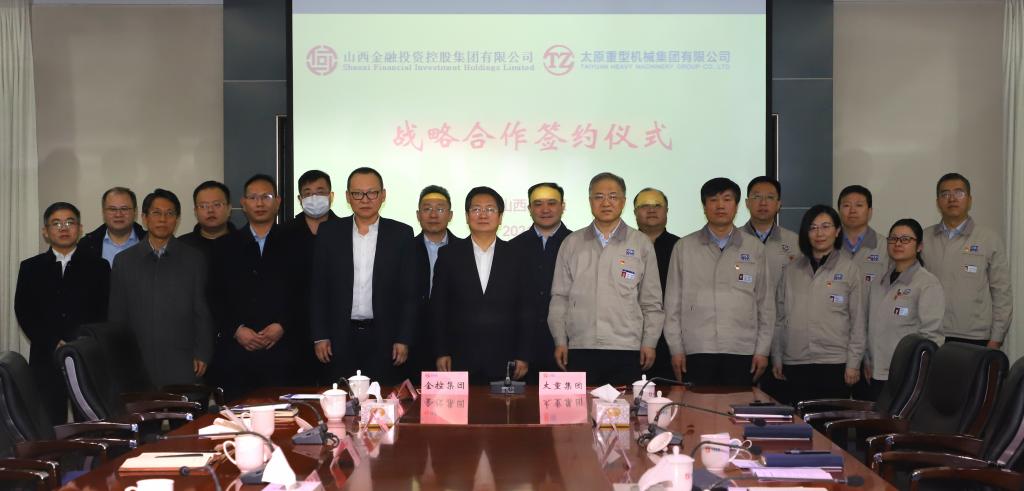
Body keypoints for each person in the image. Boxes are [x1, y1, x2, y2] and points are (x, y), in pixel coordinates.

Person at [548, 172, 664, 386]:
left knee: (625, 407)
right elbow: (560, 298)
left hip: (627, 348)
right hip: (580, 346)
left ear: (624, 202)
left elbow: (651, 301)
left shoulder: (641, 243)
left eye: (613, 196)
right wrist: (560, 340)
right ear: (590, 201)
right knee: (582, 406)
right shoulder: (572, 243)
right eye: (599, 197)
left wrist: (649, 342)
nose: (606, 203)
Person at [309, 167, 416, 384]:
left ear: (383, 195)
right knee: (341, 397)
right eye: (357, 193)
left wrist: (403, 338)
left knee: (382, 398)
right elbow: (318, 288)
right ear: (348, 197)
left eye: (372, 193)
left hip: (385, 338)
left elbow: (409, 293)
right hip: (339, 337)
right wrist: (320, 335)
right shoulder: (329, 233)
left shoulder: (401, 234)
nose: (365, 199)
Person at [663, 178, 773, 387]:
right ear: (704, 207)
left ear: (737, 206)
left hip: (742, 350)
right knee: (697, 407)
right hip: (697, 349)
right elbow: (672, 305)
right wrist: (676, 349)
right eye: (713, 200)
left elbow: (765, 304)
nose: (720, 206)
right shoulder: (684, 247)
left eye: (727, 199)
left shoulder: (754, 248)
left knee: (738, 406)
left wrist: (762, 350)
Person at [108, 189, 215, 388]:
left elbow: (202, 311)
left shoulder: (194, 259)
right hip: (138, 362)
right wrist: (120, 357)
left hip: (183, 361)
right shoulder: (124, 261)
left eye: (170, 213)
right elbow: (117, 316)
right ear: (144, 218)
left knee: (185, 408)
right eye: (156, 213)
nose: (163, 219)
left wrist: (203, 352)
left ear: (177, 219)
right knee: (142, 407)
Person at [15, 202, 109, 424]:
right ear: (45, 232)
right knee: (50, 423)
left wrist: (79, 342)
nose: (63, 228)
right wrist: (52, 341)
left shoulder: (99, 267)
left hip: (86, 357)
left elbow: (103, 311)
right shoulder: (30, 267)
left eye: (70, 222)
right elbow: (24, 311)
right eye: (56, 223)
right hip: (45, 357)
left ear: (80, 228)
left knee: (90, 423)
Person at [432, 187, 533, 384]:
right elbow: (438, 308)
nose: (483, 215)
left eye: (490, 209)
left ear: (500, 217)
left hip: (506, 358)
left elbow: (527, 308)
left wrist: (524, 354)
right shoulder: (449, 255)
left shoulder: (517, 256)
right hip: (459, 357)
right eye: (476, 209)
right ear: (467, 216)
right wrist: (441, 351)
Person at [771, 205, 865, 404]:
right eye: (813, 228)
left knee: (830, 420)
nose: (819, 233)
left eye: (825, 227)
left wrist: (854, 363)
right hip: (795, 361)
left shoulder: (849, 269)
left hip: (834, 362)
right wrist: (777, 356)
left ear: (837, 231)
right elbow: (779, 318)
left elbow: (858, 320)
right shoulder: (791, 270)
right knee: (797, 420)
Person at [210, 175, 291, 399]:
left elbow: (304, 293)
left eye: (266, 197)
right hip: (237, 355)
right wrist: (236, 329)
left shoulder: (295, 242)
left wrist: (283, 325)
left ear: (278, 201)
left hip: (283, 354)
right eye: (253, 198)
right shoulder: (224, 246)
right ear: (243, 203)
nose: (259, 203)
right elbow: (214, 296)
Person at [921, 173, 1012, 348]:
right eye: (945, 194)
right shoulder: (924, 239)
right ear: (938, 201)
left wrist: (996, 337)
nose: (952, 198)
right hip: (931, 333)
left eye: (959, 193)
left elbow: (1002, 292)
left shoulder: (989, 239)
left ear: (969, 200)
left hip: (975, 337)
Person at [866, 218, 945, 400]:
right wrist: (867, 360)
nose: (898, 244)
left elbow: (932, 336)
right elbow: (871, 326)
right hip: (876, 372)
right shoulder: (879, 281)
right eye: (893, 239)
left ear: (919, 247)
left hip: (907, 374)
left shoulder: (927, 283)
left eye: (905, 239)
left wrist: (919, 374)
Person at [278, 169, 341, 385]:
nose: (314, 198)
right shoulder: (283, 233)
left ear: (331, 196)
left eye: (320, 192)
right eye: (308, 193)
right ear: (299, 199)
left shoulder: (345, 231)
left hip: (335, 329)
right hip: (293, 330)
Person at [510, 182, 571, 380]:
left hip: (569, 346)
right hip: (523, 350)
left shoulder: (578, 244)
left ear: (562, 206)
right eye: (538, 204)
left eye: (552, 203)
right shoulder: (512, 247)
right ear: (529, 208)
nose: (545, 209)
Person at [409, 185, 461, 377]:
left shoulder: (464, 250)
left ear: (450, 215)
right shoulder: (405, 249)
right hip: (413, 338)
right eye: (427, 208)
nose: (433, 214)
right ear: (418, 215)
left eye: (440, 209)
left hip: (453, 337)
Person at [632, 187, 679, 381]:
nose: (651, 210)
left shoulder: (681, 247)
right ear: (634, 212)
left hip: (672, 340)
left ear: (667, 210)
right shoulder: (623, 246)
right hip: (630, 336)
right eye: (644, 206)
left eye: (657, 205)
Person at [78, 186, 145, 266]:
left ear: (135, 211)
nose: (118, 214)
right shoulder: (86, 245)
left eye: (124, 209)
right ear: (103, 212)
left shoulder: (150, 241)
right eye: (112, 209)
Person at [837, 185, 889, 285]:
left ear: (870, 211)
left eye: (859, 205)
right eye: (847, 205)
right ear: (839, 211)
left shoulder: (886, 247)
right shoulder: (828, 245)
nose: (852, 211)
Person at [179, 180, 236, 259]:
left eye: (217, 204)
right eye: (203, 206)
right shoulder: (181, 246)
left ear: (229, 209)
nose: (210, 210)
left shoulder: (246, 243)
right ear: (195, 212)